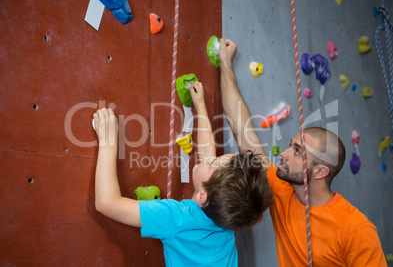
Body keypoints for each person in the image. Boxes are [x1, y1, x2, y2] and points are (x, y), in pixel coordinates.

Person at [219, 38, 387, 266]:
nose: (285, 153)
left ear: (319, 172)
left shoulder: (355, 229)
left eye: (298, 151)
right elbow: (242, 129)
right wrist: (226, 64)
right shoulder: (282, 192)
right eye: (291, 145)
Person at [92, 81, 273, 267]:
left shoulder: (177, 218)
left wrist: (108, 140)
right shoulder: (227, 219)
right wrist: (200, 106)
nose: (209, 158)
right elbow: (207, 154)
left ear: (202, 196)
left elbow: (107, 203)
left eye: (212, 162)